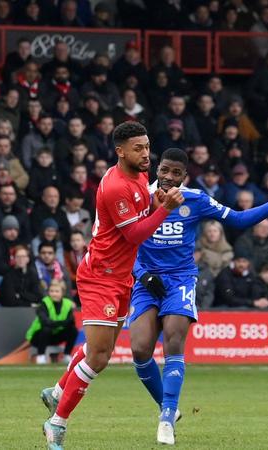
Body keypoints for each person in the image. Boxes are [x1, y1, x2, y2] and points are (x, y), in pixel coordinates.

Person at [125, 148, 268, 444]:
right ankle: (166, 405)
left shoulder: (195, 199)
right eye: (165, 170)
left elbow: (237, 220)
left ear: (185, 176)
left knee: (173, 339)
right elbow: (122, 242)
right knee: (140, 349)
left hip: (181, 279)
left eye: (176, 173)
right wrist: (141, 274)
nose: (169, 177)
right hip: (146, 279)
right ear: (157, 169)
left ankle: (167, 418)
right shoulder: (138, 197)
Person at [39, 121, 185, 449]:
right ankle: (56, 422)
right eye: (138, 148)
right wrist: (164, 209)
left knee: (97, 349)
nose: (146, 154)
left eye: (147, 147)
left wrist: (152, 203)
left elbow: (138, 215)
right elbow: (133, 234)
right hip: (100, 276)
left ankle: (58, 392)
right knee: (100, 357)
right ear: (120, 151)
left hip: (121, 277)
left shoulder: (138, 176)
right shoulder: (117, 185)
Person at [26, 280, 78, 365]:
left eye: (57, 291)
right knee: (46, 329)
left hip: (55, 335)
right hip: (37, 337)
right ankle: (41, 356)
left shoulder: (68, 304)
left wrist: (56, 323)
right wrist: (62, 323)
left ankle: (66, 355)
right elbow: (45, 322)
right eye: (51, 291)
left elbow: (71, 322)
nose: (54, 294)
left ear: (62, 293)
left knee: (73, 330)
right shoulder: (44, 303)